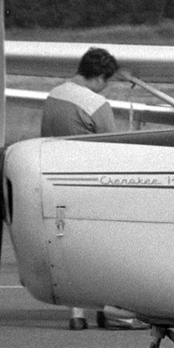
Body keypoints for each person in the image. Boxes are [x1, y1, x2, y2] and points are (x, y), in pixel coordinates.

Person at [40, 48, 143, 329]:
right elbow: (113, 146)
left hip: (56, 182)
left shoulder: (54, 95)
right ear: (99, 77)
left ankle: (78, 314)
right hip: (89, 184)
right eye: (106, 81)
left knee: (70, 247)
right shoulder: (96, 104)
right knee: (109, 246)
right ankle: (113, 310)